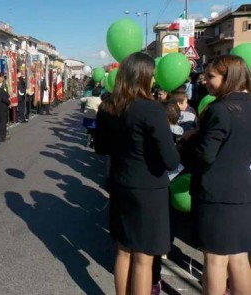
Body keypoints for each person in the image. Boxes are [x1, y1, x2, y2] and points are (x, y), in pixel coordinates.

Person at [94, 52, 179, 295]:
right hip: (149, 191)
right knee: (143, 258)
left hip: (120, 185)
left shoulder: (108, 107)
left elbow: (101, 148)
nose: (153, 81)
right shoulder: (150, 109)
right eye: (151, 76)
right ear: (142, 77)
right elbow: (171, 160)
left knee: (123, 251)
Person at [180, 55, 251, 295]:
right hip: (242, 191)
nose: (204, 81)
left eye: (211, 76)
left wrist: (189, 141)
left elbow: (204, 155)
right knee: (239, 257)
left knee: (215, 260)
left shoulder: (220, 109)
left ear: (228, 77)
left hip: (216, 194)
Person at [0, 73, 11, 142]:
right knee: (2, 122)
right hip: (1, 105)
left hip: (4, 105)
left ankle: (3, 135)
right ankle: (1, 136)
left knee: (3, 122)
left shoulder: (4, 85)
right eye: (1, 77)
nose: (2, 79)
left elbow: (6, 94)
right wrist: (8, 102)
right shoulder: (0, 86)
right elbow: (3, 97)